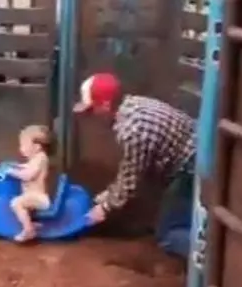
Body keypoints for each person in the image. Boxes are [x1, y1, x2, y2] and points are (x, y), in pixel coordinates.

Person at [73, 72, 196, 257]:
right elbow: (131, 170)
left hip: (191, 166)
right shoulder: (133, 104)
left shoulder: (132, 131)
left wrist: (105, 207)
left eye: (91, 110)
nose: (91, 116)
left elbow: (130, 183)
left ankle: (210, 254)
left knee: (167, 235)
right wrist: (107, 196)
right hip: (194, 145)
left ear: (105, 105)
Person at [8, 124, 53, 243]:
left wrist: (11, 171)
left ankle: (29, 230)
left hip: (39, 198)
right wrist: (15, 166)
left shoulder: (41, 158)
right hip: (33, 196)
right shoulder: (36, 158)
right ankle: (32, 223)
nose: (21, 148)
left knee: (16, 203)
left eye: (24, 145)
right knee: (22, 200)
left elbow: (28, 175)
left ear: (37, 147)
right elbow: (27, 167)